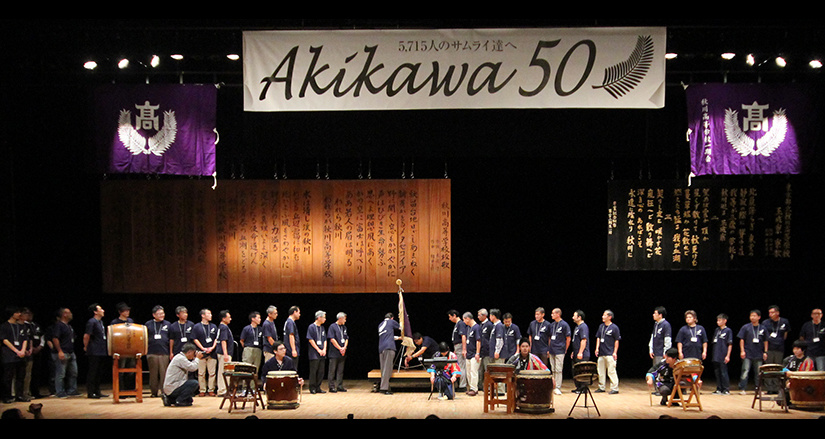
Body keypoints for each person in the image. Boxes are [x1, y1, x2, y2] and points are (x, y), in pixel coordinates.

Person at [1, 306, 29, 404]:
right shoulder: (4, 326)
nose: (19, 314)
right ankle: (7, 396)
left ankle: (19, 395)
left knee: (21, 376)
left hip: (21, 354)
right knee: (8, 377)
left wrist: (23, 350)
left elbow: (25, 339)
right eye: (17, 312)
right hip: (9, 355)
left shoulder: (22, 326)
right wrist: (16, 351)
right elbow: (4, 340)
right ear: (11, 314)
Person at [162, 342, 202, 407]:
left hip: (173, 386)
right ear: (189, 352)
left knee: (189, 400)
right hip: (173, 387)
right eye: (194, 353)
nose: (194, 355)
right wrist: (197, 358)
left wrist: (195, 358)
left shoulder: (179, 357)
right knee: (194, 383)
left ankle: (170, 399)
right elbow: (193, 368)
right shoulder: (180, 358)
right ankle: (179, 401)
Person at [50, 308, 78, 398]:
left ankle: (72, 390)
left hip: (70, 352)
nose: (71, 314)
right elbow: (55, 338)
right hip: (62, 352)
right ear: (64, 314)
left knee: (74, 372)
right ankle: (60, 392)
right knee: (61, 373)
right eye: (69, 313)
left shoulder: (69, 326)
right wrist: (60, 351)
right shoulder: (59, 325)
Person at [737, 309, 766, 394]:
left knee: (758, 372)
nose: (752, 317)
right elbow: (741, 339)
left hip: (759, 353)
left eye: (754, 316)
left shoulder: (763, 328)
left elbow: (766, 341)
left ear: (759, 317)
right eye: (751, 316)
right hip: (748, 352)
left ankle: (758, 388)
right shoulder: (746, 327)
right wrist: (742, 351)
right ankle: (742, 388)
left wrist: (765, 352)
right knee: (745, 371)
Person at [145, 305, 171, 398]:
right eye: (159, 314)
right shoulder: (148, 324)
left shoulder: (168, 324)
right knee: (153, 374)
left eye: (163, 313)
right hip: (152, 352)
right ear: (154, 315)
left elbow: (171, 339)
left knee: (164, 373)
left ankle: (164, 392)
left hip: (164, 352)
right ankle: (154, 392)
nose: (162, 315)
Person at [191, 308, 218, 396]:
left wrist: (212, 347)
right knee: (201, 373)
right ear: (203, 315)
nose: (211, 315)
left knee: (212, 372)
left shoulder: (213, 326)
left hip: (212, 352)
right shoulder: (197, 326)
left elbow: (216, 338)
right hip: (201, 353)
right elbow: (195, 339)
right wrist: (203, 348)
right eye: (208, 314)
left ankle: (211, 389)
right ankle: (202, 390)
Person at [83, 303, 108, 399]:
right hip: (94, 350)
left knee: (99, 372)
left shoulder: (100, 322)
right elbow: (87, 335)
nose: (103, 311)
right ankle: (91, 392)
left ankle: (97, 391)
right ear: (95, 312)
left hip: (101, 350)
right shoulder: (91, 322)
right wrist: (85, 346)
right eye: (100, 309)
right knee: (93, 371)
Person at [781, 340, 816, 408]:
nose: (795, 351)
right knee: (781, 401)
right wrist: (787, 372)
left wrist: (793, 375)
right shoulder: (789, 359)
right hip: (789, 382)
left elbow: (807, 375)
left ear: (803, 350)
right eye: (794, 349)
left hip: (802, 384)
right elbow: (783, 369)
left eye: (797, 349)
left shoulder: (808, 361)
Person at [110, 302, 135, 392]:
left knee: (131, 370)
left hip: (130, 349)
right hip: (120, 350)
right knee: (121, 370)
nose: (127, 312)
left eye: (128, 310)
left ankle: (129, 389)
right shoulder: (115, 322)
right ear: (120, 312)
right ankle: (120, 390)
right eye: (125, 311)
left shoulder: (131, 321)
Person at [21, 308, 45, 400]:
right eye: (26, 313)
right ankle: (23, 393)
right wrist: (29, 348)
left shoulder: (36, 325)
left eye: (30, 313)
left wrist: (40, 346)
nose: (29, 315)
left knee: (36, 373)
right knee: (25, 373)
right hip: (26, 352)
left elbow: (42, 336)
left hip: (37, 351)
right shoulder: (23, 325)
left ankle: (35, 392)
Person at [594, 309, 620, 394]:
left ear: (609, 317)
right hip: (601, 353)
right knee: (600, 371)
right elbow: (598, 338)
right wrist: (597, 348)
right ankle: (601, 387)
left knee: (611, 371)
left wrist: (615, 352)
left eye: (604, 315)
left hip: (610, 353)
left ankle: (614, 388)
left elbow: (616, 340)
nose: (603, 316)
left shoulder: (614, 327)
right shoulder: (601, 326)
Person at [547, 308, 571, 395]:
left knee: (558, 369)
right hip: (552, 350)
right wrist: (549, 348)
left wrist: (565, 349)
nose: (551, 315)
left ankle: (558, 387)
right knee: (553, 369)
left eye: (553, 313)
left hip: (560, 350)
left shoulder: (564, 325)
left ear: (558, 314)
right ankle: (553, 386)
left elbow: (568, 338)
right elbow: (550, 337)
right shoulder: (552, 325)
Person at [711, 313, 733, 395]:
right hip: (716, 354)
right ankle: (719, 388)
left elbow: (730, 344)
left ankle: (726, 389)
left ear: (725, 321)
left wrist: (728, 356)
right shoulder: (717, 330)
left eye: (720, 320)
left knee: (724, 372)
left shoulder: (728, 330)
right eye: (717, 320)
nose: (718, 322)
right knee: (717, 373)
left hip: (723, 354)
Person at [306, 310, 327, 394]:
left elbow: (325, 340)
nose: (325, 319)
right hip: (314, 353)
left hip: (322, 353)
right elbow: (310, 339)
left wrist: (324, 349)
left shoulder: (322, 328)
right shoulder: (311, 327)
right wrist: (318, 349)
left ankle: (318, 387)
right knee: (314, 371)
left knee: (321, 371)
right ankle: (312, 387)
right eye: (324, 317)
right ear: (319, 317)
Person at [570, 309, 590, 394]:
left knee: (582, 371)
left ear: (579, 317)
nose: (572, 317)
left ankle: (583, 388)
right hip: (576, 352)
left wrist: (580, 352)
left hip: (582, 354)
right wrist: (574, 351)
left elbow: (583, 340)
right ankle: (578, 388)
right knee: (576, 371)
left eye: (574, 316)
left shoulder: (583, 327)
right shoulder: (577, 327)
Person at [327, 312, 348, 392]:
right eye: (344, 319)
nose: (345, 321)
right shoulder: (332, 327)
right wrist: (340, 348)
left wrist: (344, 348)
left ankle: (340, 386)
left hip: (342, 353)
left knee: (340, 371)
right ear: (340, 318)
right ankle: (331, 386)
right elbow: (332, 339)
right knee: (332, 370)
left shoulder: (344, 327)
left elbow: (346, 338)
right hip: (334, 353)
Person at [215, 310, 234, 397]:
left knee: (224, 372)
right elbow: (223, 341)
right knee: (224, 372)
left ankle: (224, 389)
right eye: (229, 317)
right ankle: (222, 390)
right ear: (223, 318)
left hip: (223, 353)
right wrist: (225, 354)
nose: (230, 319)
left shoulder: (222, 327)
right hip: (224, 354)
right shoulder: (223, 327)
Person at [448, 310, 468, 391]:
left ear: (454, 315)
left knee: (461, 366)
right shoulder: (457, 324)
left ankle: (463, 386)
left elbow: (463, 336)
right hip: (457, 347)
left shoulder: (461, 324)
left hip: (460, 346)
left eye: (450, 317)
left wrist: (464, 349)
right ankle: (460, 384)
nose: (449, 319)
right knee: (458, 365)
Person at [462, 312, 481, 396]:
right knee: (468, 372)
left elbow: (478, 341)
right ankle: (470, 387)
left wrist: (477, 353)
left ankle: (474, 389)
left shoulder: (477, 327)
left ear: (468, 319)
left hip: (474, 354)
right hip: (469, 353)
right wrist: (465, 350)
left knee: (474, 372)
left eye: (464, 320)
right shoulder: (469, 328)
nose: (464, 322)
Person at [240, 311, 263, 375]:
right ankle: (245, 381)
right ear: (253, 319)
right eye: (258, 318)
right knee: (246, 367)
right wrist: (246, 348)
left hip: (258, 349)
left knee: (256, 368)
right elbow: (242, 340)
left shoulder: (260, 329)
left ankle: (253, 381)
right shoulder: (246, 328)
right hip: (248, 348)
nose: (260, 319)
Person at [476, 308, 493, 391]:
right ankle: (480, 385)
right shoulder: (480, 325)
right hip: (481, 351)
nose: (478, 317)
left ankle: (488, 386)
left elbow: (491, 338)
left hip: (487, 351)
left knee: (487, 369)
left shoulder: (489, 325)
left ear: (484, 315)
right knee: (480, 369)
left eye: (479, 315)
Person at [283, 306, 301, 372]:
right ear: (294, 312)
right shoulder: (290, 322)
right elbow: (291, 335)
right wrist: (293, 349)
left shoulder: (288, 322)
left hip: (288, 349)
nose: (299, 314)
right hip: (290, 350)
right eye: (299, 312)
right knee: (292, 370)